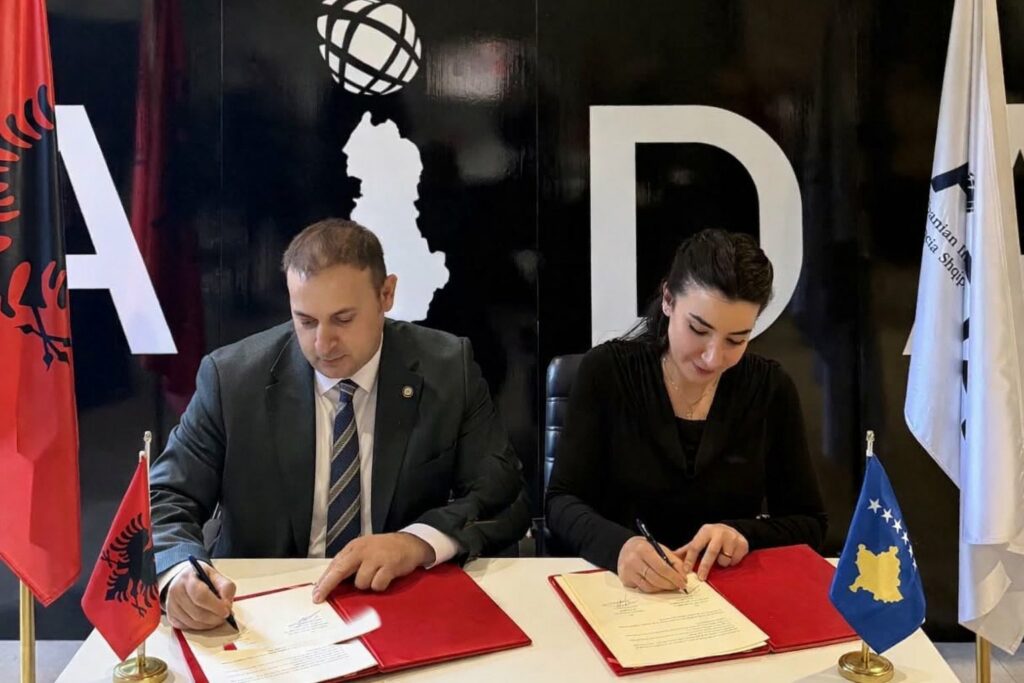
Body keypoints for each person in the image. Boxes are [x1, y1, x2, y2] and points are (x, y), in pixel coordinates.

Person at [151, 218, 530, 631]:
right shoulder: (232, 379)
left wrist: (417, 542)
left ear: (386, 295)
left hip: (397, 603)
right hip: (260, 611)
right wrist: (178, 573)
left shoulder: (447, 368)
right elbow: (165, 496)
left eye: (344, 319)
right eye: (306, 321)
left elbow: (502, 497)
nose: (322, 343)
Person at [545, 229, 826, 593]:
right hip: (620, 591)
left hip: (724, 597)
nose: (713, 357)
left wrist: (743, 534)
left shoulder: (770, 389)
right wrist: (619, 547)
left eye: (736, 340)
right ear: (668, 300)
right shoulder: (607, 372)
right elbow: (561, 502)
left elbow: (810, 523)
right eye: (698, 329)